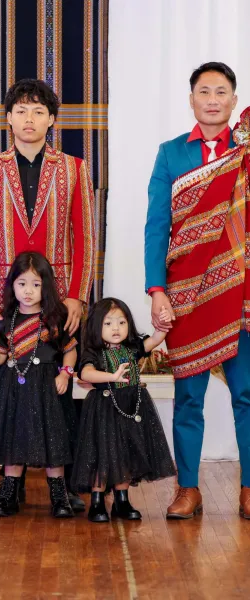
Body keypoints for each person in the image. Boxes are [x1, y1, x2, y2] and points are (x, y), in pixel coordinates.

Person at [0, 78, 96, 511]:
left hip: (57, 299)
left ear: (52, 120)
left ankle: (61, 486)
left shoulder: (74, 168)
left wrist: (77, 295)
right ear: (7, 118)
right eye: (21, 110)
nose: (29, 119)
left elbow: (85, 237)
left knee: (56, 388)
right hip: (8, 298)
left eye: (39, 111)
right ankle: (11, 486)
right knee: (12, 389)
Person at [145, 63, 250, 519]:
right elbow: (157, 227)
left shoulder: (246, 152)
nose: (212, 100)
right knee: (188, 398)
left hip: (240, 292)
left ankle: (249, 487)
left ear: (233, 100)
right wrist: (157, 290)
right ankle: (187, 488)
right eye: (204, 91)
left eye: (220, 92)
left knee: (247, 395)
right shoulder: (171, 153)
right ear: (191, 100)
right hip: (186, 296)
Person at [0, 251, 78, 518]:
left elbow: (70, 350)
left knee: (53, 443)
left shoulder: (55, 320)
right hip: (14, 391)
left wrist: (65, 374)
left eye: (36, 284)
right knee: (13, 441)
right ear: (12, 285)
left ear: (46, 286)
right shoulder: (6, 322)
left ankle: (59, 496)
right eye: (22, 284)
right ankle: (9, 493)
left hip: (47, 391)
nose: (28, 291)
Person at [71, 298, 176, 522]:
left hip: (131, 406)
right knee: (101, 455)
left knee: (127, 453)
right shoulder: (93, 353)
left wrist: (163, 321)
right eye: (108, 323)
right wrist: (111, 376)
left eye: (121, 322)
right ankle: (97, 502)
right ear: (96, 326)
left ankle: (122, 500)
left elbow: (156, 338)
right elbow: (86, 373)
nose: (116, 328)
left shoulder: (133, 348)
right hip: (104, 410)